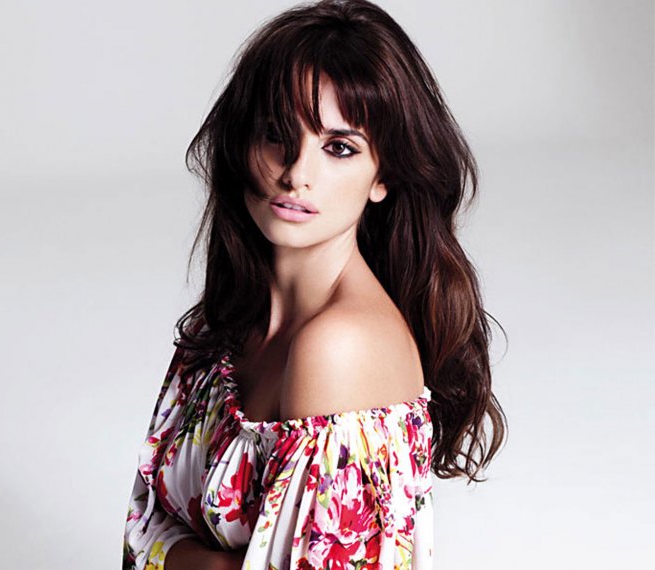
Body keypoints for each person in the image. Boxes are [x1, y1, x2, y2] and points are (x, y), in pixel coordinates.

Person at [122, 0, 507, 568]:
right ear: (242, 144)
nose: (296, 173)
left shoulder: (339, 347)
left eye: (339, 148)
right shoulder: (223, 321)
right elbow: (140, 525)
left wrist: (180, 557)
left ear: (383, 176)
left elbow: (152, 542)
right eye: (276, 134)